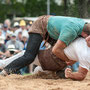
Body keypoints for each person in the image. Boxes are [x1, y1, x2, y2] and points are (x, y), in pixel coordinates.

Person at [1, 15, 90, 76]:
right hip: (41, 25)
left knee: (58, 59)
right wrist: (69, 60)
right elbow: (56, 50)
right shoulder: (71, 31)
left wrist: (70, 60)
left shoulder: (83, 25)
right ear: (86, 35)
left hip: (51, 30)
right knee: (29, 56)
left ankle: (40, 71)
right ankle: (5, 70)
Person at [0, 37, 90, 81]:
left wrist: (70, 75)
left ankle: (2, 64)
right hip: (57, 63)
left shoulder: (86, 53)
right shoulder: (83, 40)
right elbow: (74, 59)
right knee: (37, 71)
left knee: (26, 55)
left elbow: (81, 75)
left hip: (53, 59)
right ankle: (42, 72)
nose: (87, 39)